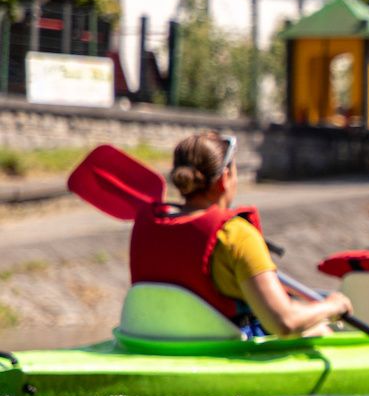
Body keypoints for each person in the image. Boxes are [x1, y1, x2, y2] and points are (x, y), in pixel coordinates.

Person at [129, 131, 351, 336]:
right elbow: (284, 322)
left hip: (158, 340)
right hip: (223, 348)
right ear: (225, 177)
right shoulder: (235, 235)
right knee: (320, 330)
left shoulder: (148, 222)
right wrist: (332, 305)